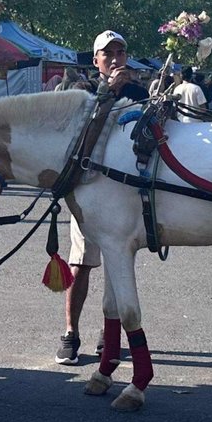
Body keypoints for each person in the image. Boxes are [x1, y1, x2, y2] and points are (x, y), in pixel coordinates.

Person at [56, 29, 145, 365]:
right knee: (81, 264)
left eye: (120, 53)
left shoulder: (138, 91)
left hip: (123, 195)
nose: (115, 59)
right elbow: (78, 129)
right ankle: (70, 332)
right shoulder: (83, 90)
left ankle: (109, 333)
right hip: (87, 191)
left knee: (118, 265)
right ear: (96, 60)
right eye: (108, 54)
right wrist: (109, 91)